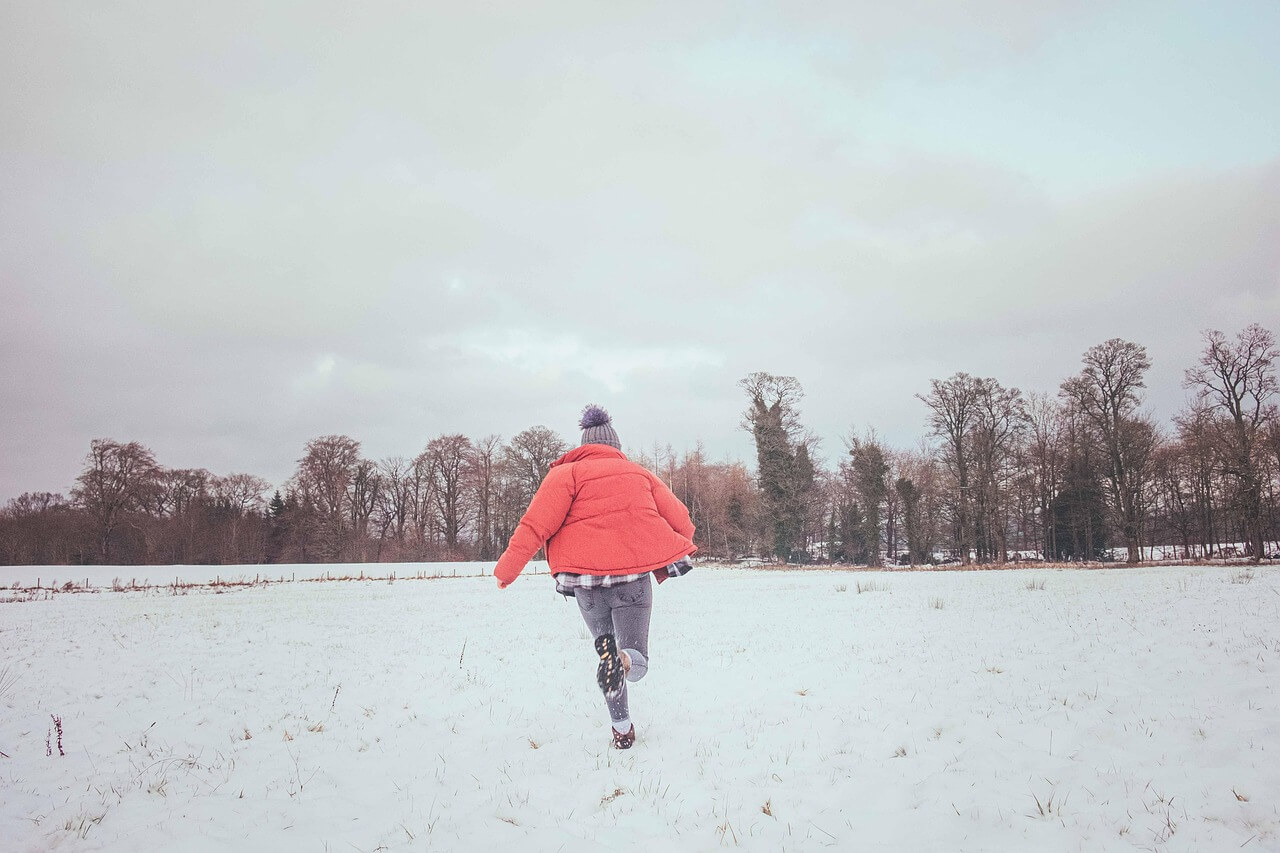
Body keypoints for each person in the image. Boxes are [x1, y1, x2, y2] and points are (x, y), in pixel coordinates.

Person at [493, 404, 696, 749]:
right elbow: (680, 516)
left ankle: (621, 727)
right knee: (634, 657)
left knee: (606, 656)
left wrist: (507, 570)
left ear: (583, 445)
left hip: (585, 584)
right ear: (615, 446)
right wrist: (685, 542)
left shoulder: (564, 475)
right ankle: (626, 659)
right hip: (631, 580)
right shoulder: (639, 473)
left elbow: (535, 525)